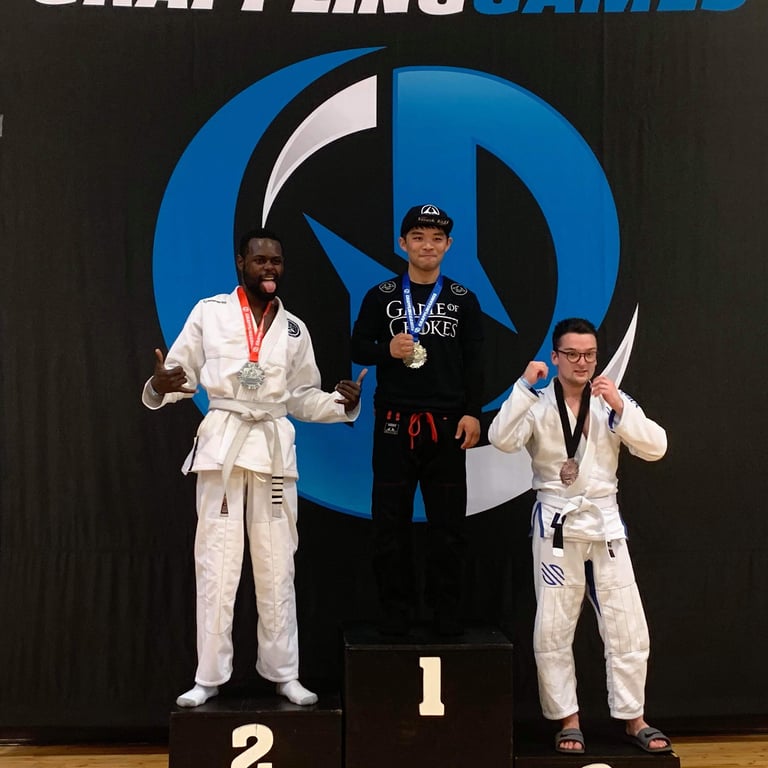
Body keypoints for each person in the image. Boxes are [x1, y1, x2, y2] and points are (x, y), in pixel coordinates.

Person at [142, 228, 366, 708]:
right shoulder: (210, 312)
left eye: (276, 261)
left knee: (277, 563)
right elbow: (180, 375)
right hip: (223, 445)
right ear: (240, 262)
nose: (270, 268)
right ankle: (208, 676)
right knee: (217, 564)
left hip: (272, 450)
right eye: (260, 259)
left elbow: (302, 397)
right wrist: (160, 386)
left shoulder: (294, 329)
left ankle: (284, 673)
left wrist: (341, 404)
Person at [488, 317, 673, 755]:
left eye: (589, 354)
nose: (581, 362)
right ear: (555, 357)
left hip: (605, 524)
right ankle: (567, 719)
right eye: (571, 354)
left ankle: (634, 717)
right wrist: (522, 386)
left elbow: (657, 446)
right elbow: (501, 439)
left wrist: (622, 408)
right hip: (557, 526)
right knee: (554, 625)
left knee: (628, 624)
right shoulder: (536, 403)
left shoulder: (610, 400)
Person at [350, 204, 484, 636]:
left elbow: (476, 362)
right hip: (394, 422)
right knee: (389, 525)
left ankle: (447, 618)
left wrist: (473, 413)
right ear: (402, 243)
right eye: (419, 237)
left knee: (449, 527)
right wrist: (385, 350)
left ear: (449, 245)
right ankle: (396, 616)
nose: (428, 245)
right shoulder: (382, 295)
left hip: (447, 424)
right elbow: (357, 347)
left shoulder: (463, 299)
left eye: (437, 238)